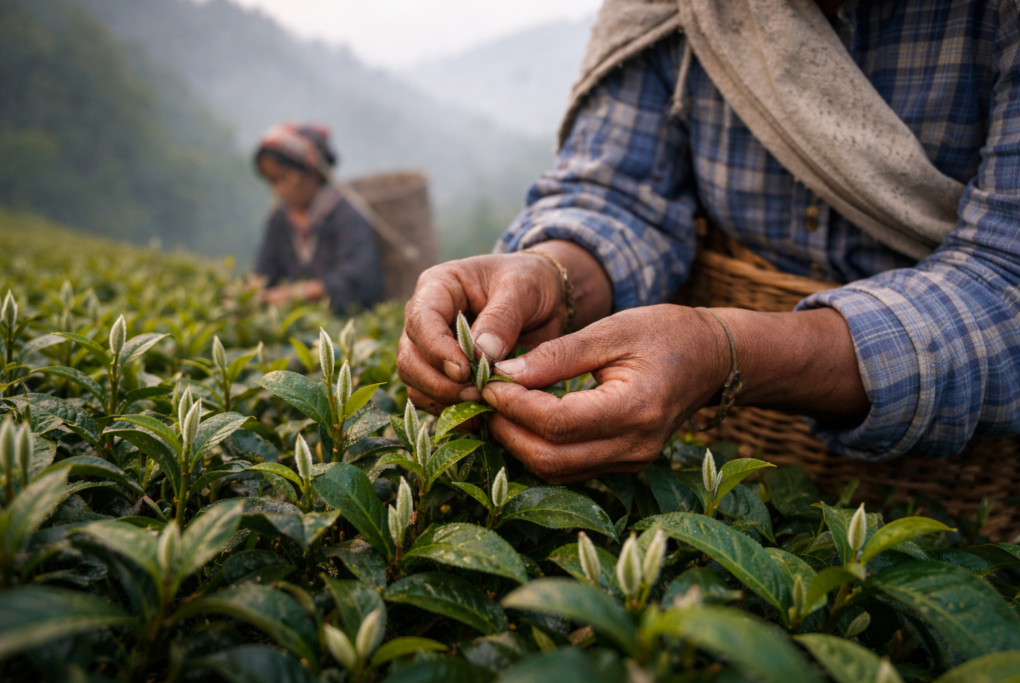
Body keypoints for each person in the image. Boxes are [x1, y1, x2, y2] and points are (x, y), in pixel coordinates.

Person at [397, 0, 1020, 484]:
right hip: (722, 466)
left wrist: (725, 350)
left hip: (975, 491)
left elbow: (1006, 279)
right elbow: (620, 191)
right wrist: (550, 274)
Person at [252, 123, 384, 313]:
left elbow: (360, 279)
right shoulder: (280, 220)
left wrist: (299, 293)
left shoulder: (347, 216)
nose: (277, 190)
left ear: (310, 171)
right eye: (271, 181)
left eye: (282, 178)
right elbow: (265, 270)